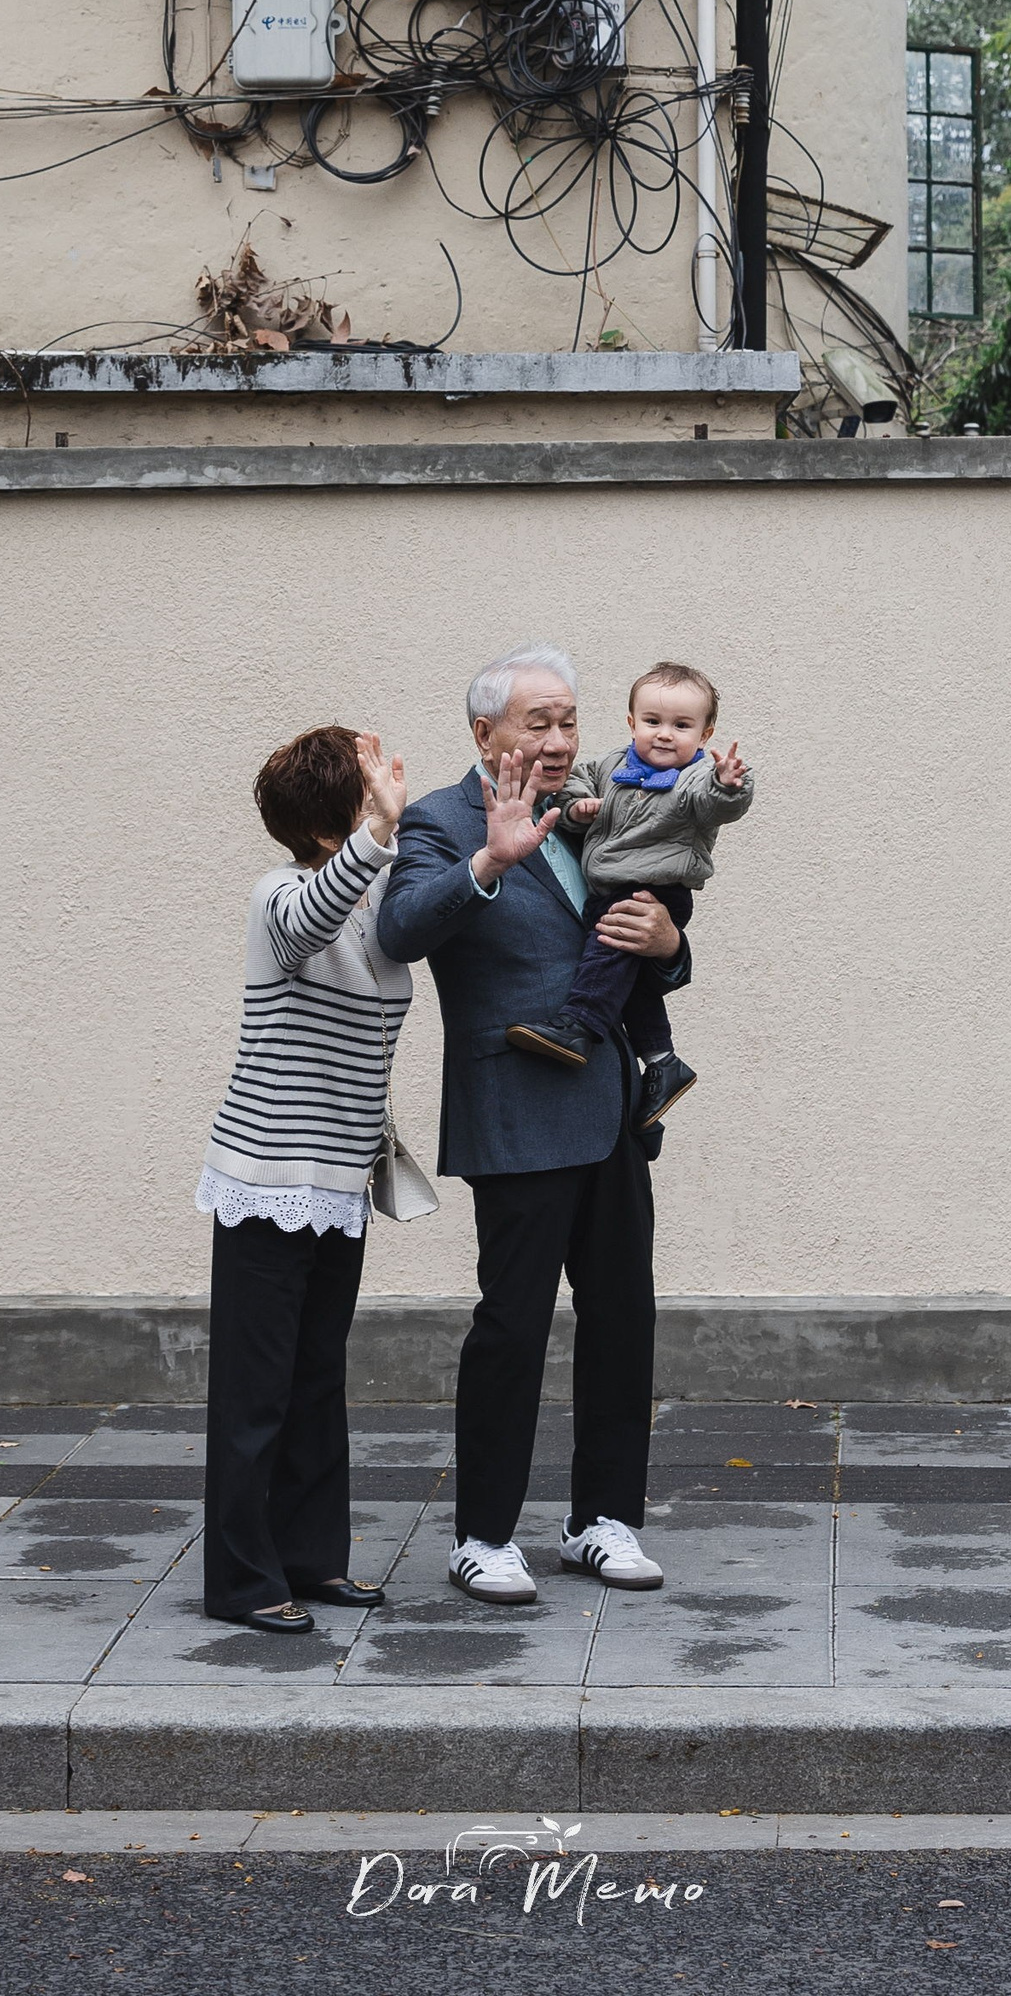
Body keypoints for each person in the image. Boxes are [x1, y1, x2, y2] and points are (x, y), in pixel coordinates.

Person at [375, 646, 688, 1609]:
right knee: (512, 1326)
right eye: (535, 724)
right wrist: (487, 862)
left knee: (623, 1316)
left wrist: (672, 946)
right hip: (514, 1106)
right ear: (484, 735)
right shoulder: (438, 819)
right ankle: (484, 1535)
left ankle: (602, 1519)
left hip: (608, 1110)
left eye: (567, 723)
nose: (557, 742)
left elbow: (643, 928)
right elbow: (399, 930)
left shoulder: (604, 804)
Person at [196, 723, 412, 1634]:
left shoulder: (374, 899)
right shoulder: (280, 895)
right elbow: (307, 920)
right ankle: (242, 1582)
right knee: (256, 1392)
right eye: (366, 792)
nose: (386, 805)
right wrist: (378, 833)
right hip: (266, 1178)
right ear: (335, 822)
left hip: (337, 1184)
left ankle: (315, 1560)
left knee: (319, 1379)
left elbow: (435, 902)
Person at [505, 659, 751, 1121]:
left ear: (706, 734)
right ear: (631, 722)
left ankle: (580, 1025)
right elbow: (577, 782)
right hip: (614, 883)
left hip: (655, 891)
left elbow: (714, 804)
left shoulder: (695, 778)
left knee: (609, 948)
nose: (664, 734)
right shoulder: (613, 765)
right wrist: (577, 807)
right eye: (653, 722)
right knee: (630, 979)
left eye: (682, 726)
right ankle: (662, 1060)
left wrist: (728, 784)